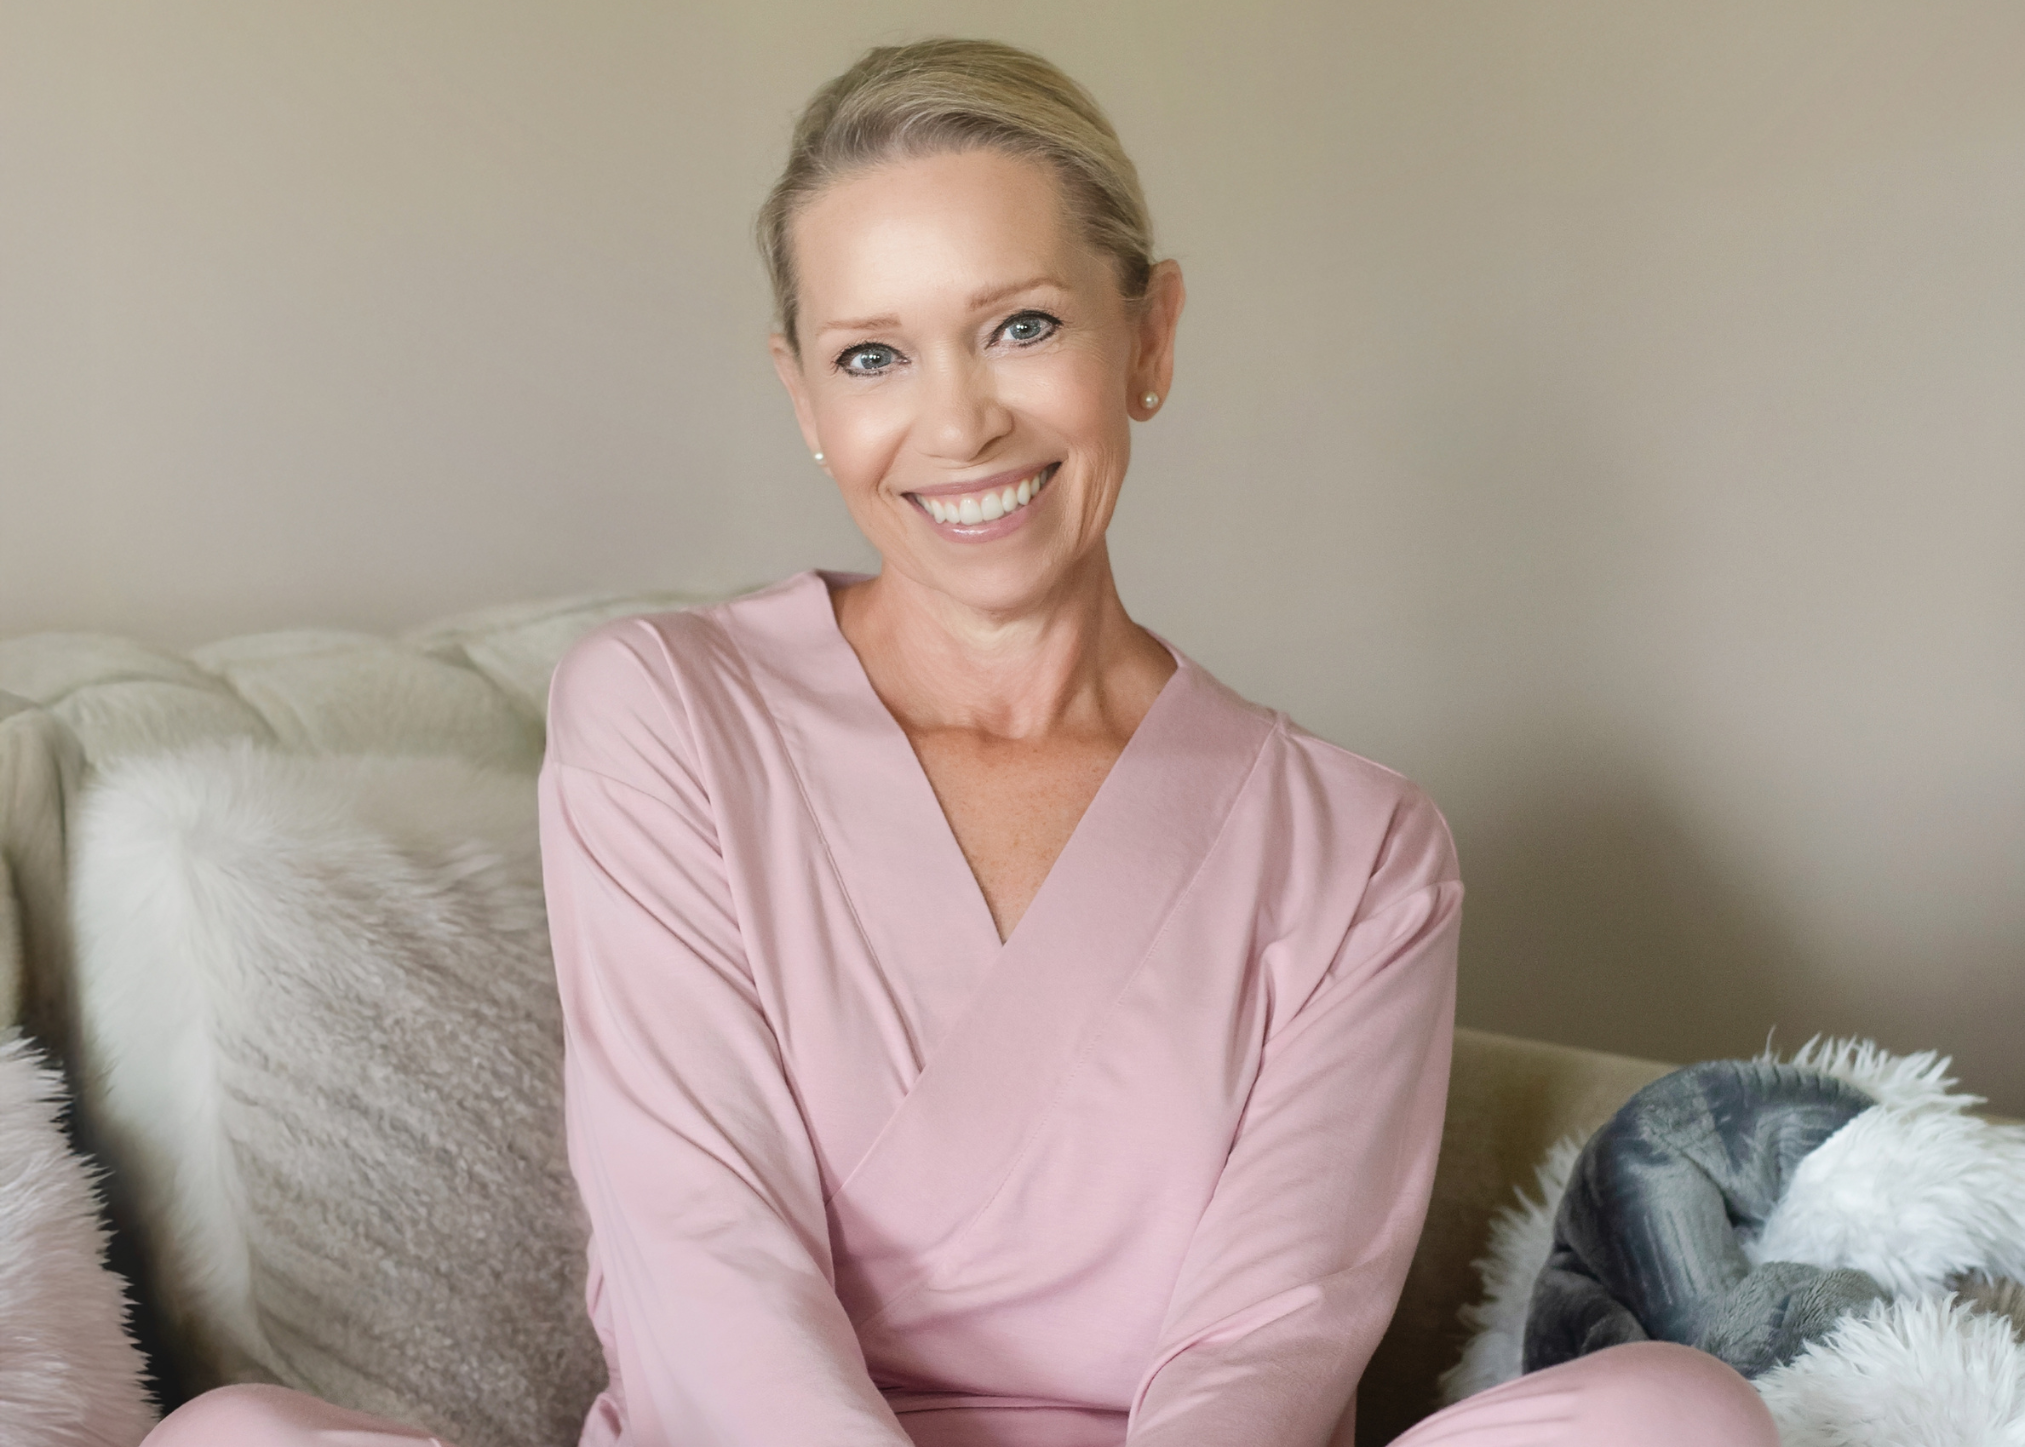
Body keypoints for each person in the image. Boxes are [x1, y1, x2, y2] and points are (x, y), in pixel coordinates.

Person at [145, 38, 1777, 1447]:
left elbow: (1262, 1351)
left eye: (1019, 327)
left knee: (1674, 1412)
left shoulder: (1357, 847)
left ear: (1150, 336)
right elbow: (697, 1244)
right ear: (802, 394)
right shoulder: (665, 712)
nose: (959, 422)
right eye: (875, 354)